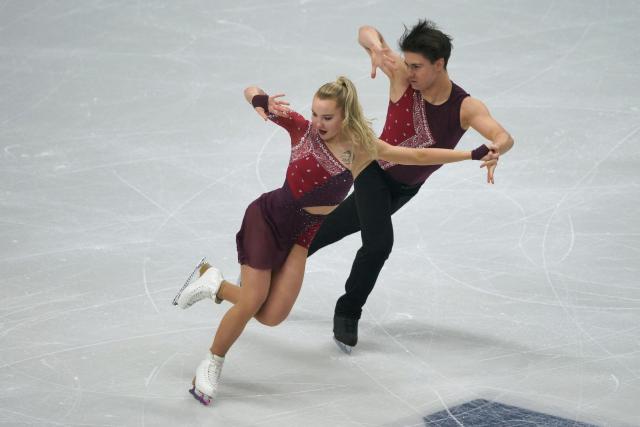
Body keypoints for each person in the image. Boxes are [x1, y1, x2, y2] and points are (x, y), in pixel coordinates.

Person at [173, 76, 496, 405]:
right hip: (267, 220)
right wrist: (261, 100)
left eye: (327, 117)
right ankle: (212, 363)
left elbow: (413, 156)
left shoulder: (361, 148)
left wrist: (471, 153)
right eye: (315, 114)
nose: (318, 122)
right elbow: (250, 90)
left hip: (302, 236)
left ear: (346, 116)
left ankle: (212, 281)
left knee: (272, 316)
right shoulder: (301, 129)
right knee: (252, 301)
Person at [307, 20, 515, 353]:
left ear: (440, 64)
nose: (410, 70)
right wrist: (375, 47)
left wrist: (496, 149)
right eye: (409, 63)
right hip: (371, 168)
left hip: (403, 189)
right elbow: (365, 30)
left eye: (418, 65)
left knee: (333, 227)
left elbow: (502, 135)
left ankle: (273, 261)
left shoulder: (465, 107)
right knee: (378, 243)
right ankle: (347, 312)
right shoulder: (402, 75)